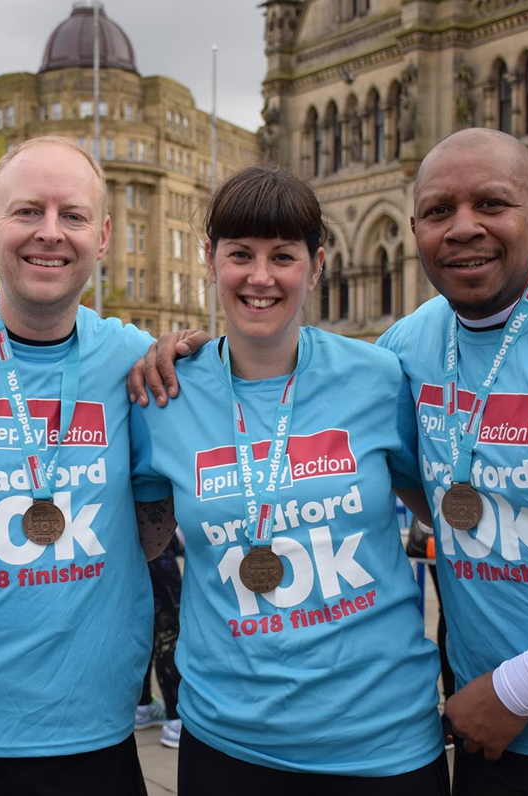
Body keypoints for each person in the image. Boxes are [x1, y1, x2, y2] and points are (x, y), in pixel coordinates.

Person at [129, 166, 448, 795]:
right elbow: (135, 547)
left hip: (384, 746)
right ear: (210, 259)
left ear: (318, 262)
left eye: (284, 256)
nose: (260, 277)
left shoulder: (380, 377)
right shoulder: (163, 394)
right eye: (240, 254)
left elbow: (450, 521)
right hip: (227, 745)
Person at [0, 136, 172, 795]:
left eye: (72, 216)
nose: (50, 233)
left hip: (92, 737)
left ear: (102, 237)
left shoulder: (140, 362)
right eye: (27, 212)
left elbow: (157, 519)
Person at [378, 128, 528, 796]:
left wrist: (516, 690)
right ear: (414, 229)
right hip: (486, 738)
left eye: (491, 204)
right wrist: (188, 356)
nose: (463, 229)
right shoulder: (405, 345)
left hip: (520, 715)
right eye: (438, 211)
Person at [135, 534, 183, 748]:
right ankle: (176, 721)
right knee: (169, 629)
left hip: (137, 541)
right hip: (157, 539)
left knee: (148, 626)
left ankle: (143, 707)